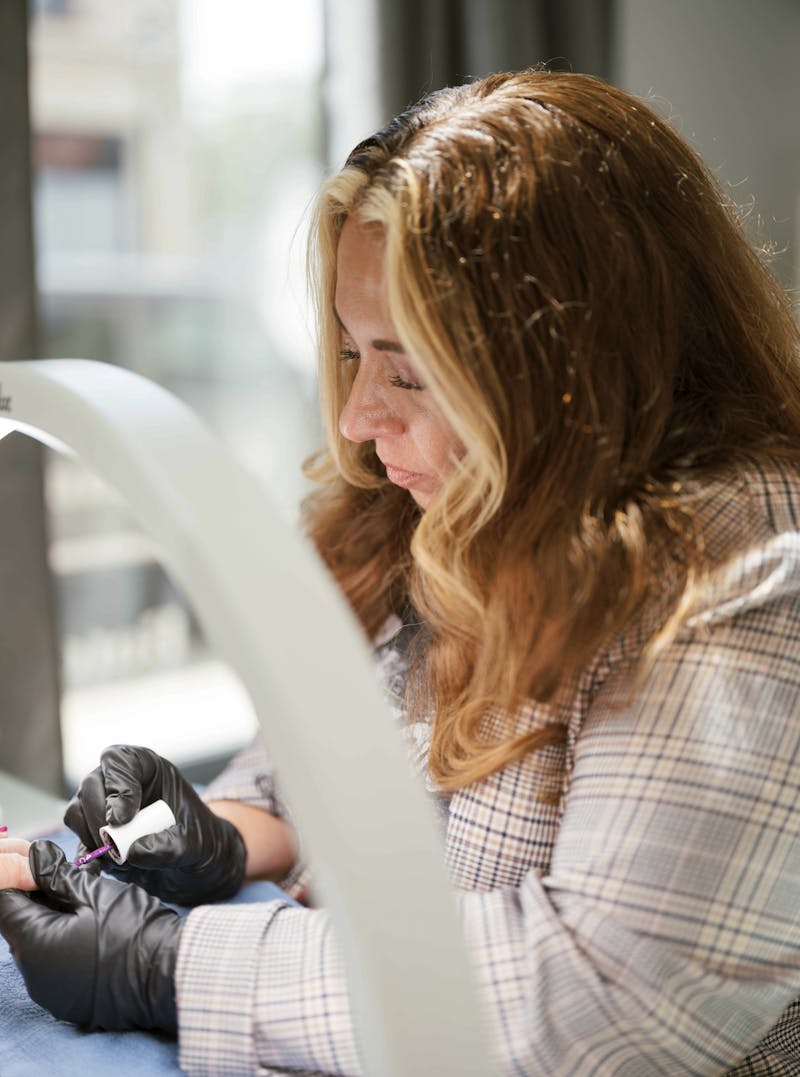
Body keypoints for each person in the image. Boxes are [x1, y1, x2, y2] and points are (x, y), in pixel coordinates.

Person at [1, 67, 800, 1074]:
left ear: (573, 369)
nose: (354, 419)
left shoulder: (741, 570)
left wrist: (166, 965)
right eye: (351, 354)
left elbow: (607, 993)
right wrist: (222, 831)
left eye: (409, 370)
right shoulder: (431, 511)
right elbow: (343, 774)